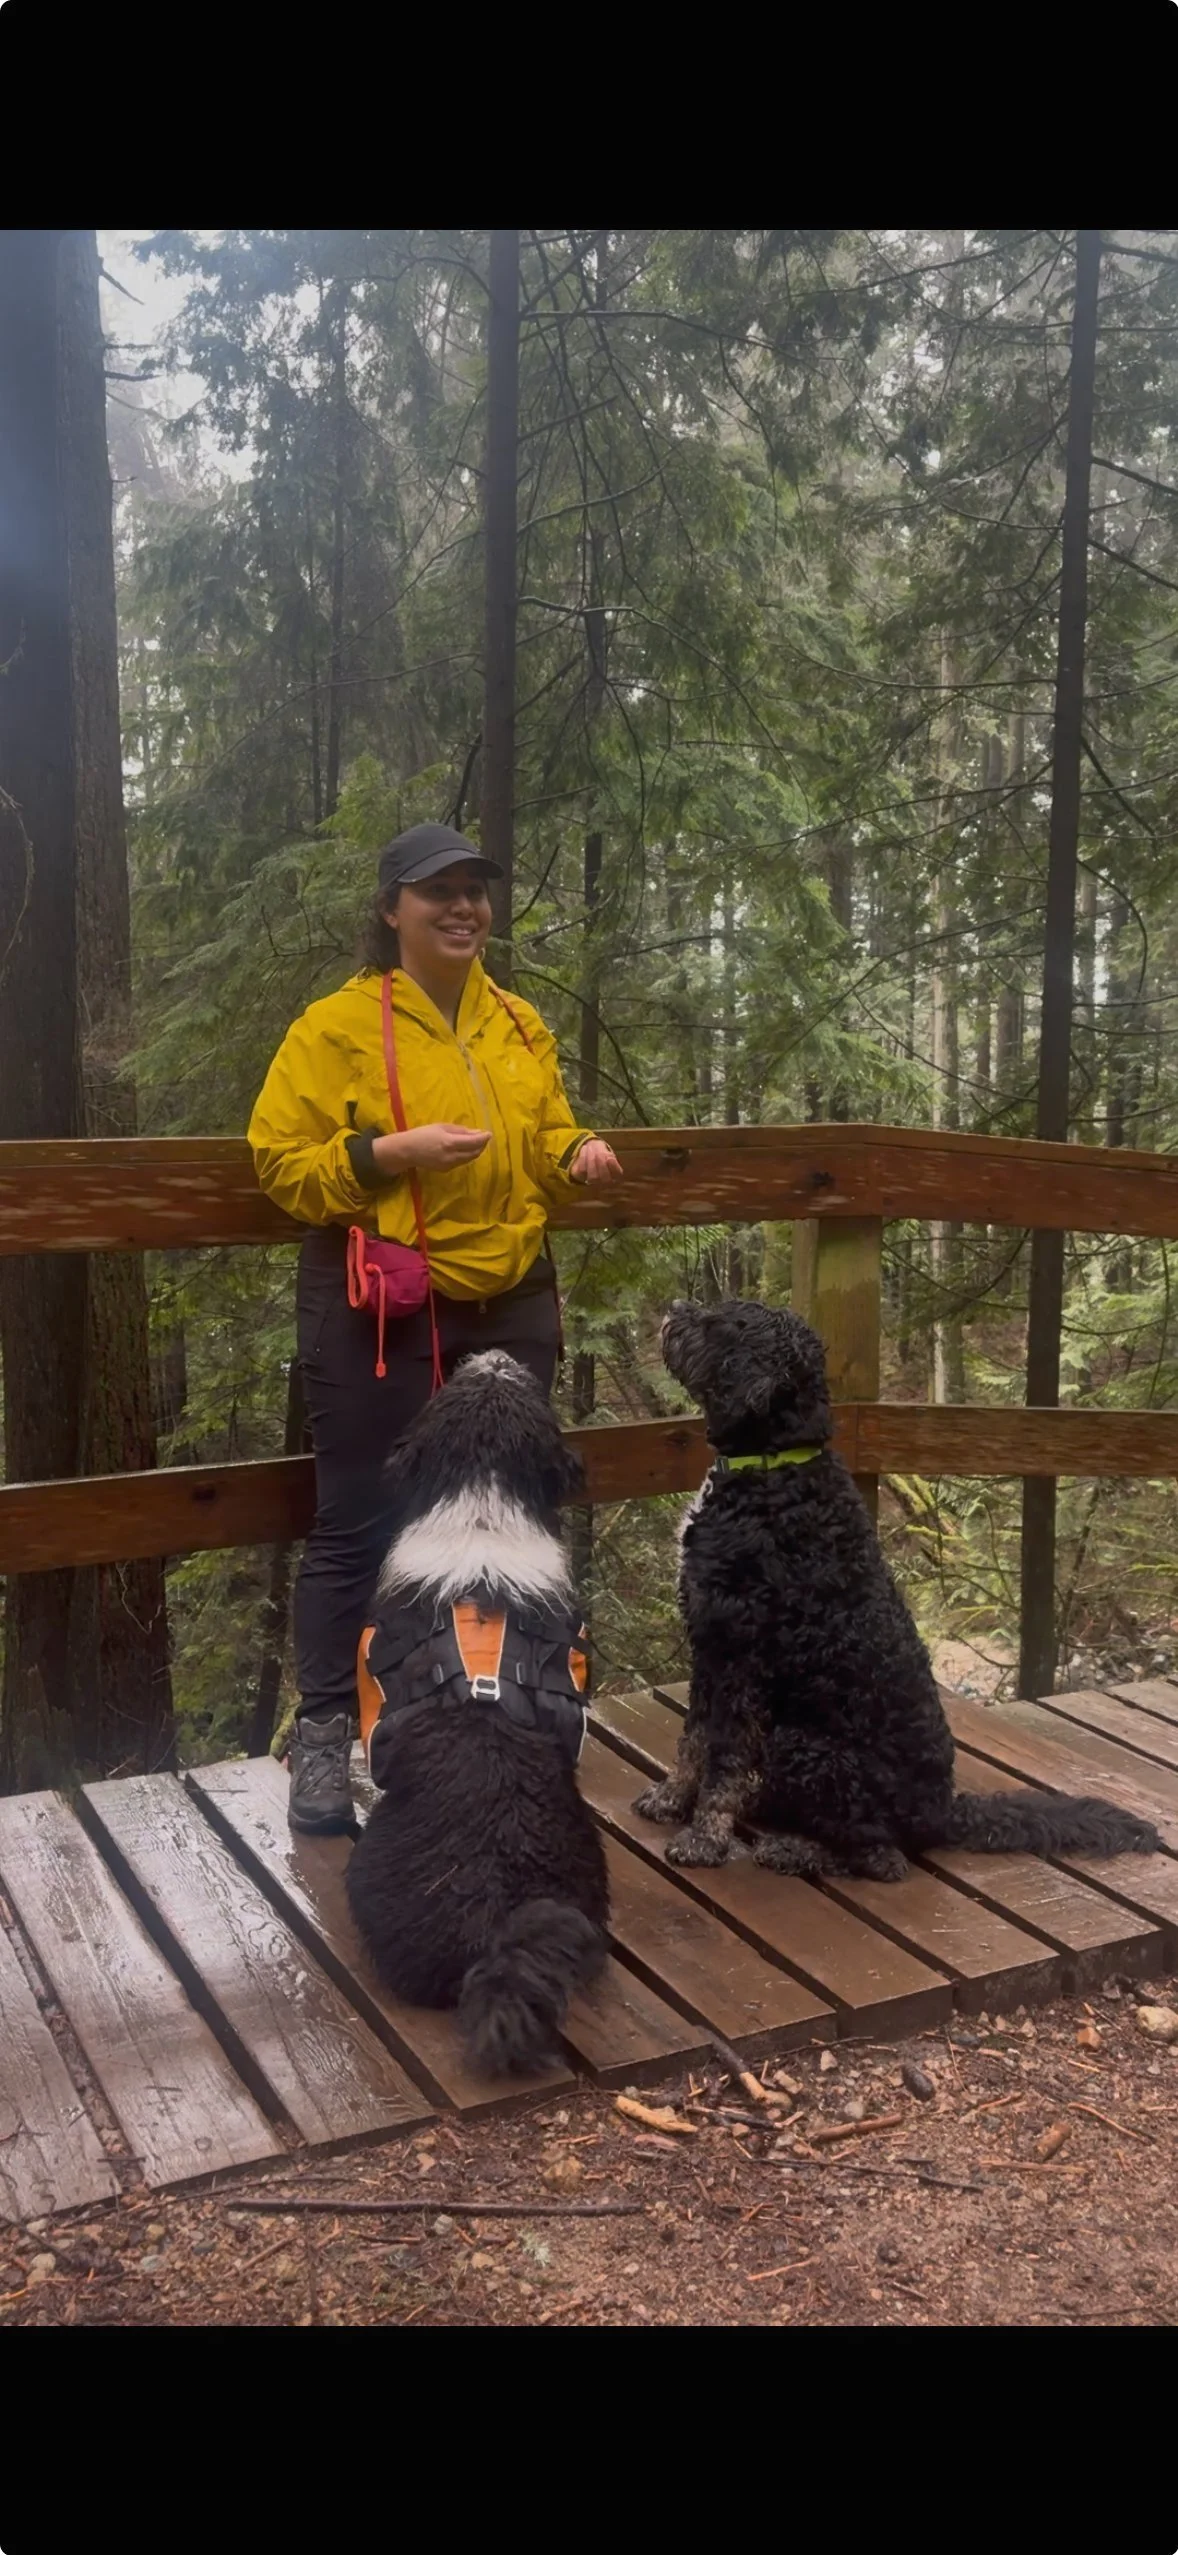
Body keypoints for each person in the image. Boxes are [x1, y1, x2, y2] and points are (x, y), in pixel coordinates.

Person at [248, 821, 623, 1832]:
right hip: (384, 1306)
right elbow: (282, 1165)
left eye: (474, 889)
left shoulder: (516, 1019)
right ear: (390, 909)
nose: (462, 907)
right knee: (361, 1517)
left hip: (511, 1297)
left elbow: (540, 1132)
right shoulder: (334, 1025)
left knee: (509, 1518)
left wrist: (576, 1151)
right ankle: (324, 1734)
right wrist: (384, 1151)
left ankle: (500, 1721)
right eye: (436, 891)